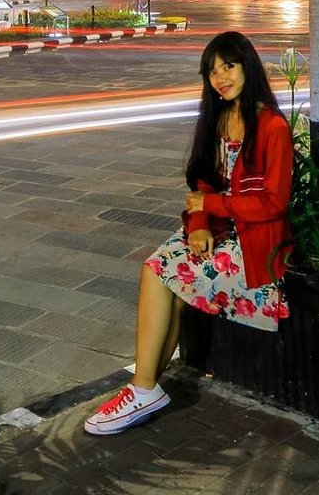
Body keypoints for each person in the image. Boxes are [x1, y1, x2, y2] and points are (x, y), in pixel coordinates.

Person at [84, 30, 293, 436]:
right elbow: (202, 185)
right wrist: (198, 226)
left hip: (256, 248)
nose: (220, 78)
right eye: (212, 71)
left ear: (247, 66)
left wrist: (210, 209)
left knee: (162, 275)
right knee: (158, 269)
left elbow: (273, 203)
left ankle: (142, 389)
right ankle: (144, 389)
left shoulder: (271, 127)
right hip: (222, 231)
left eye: (228, 67)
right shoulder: (218, 119)